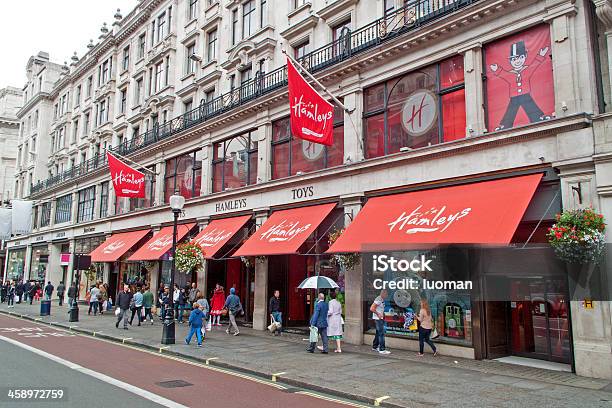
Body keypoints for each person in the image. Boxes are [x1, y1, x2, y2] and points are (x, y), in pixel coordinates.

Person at [370, 289, 390, 355]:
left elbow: (380, 308)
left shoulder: (381, 299)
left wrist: (382, 314)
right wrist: (378, 314)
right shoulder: (379, 299)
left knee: (378, 333)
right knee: (381, 333)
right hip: (378, 319)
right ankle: (382, 349)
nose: (387, 295)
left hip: (380, 318)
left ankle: (375, 346)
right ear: (383, 293)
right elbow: (372, 308)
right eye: (386, 294)